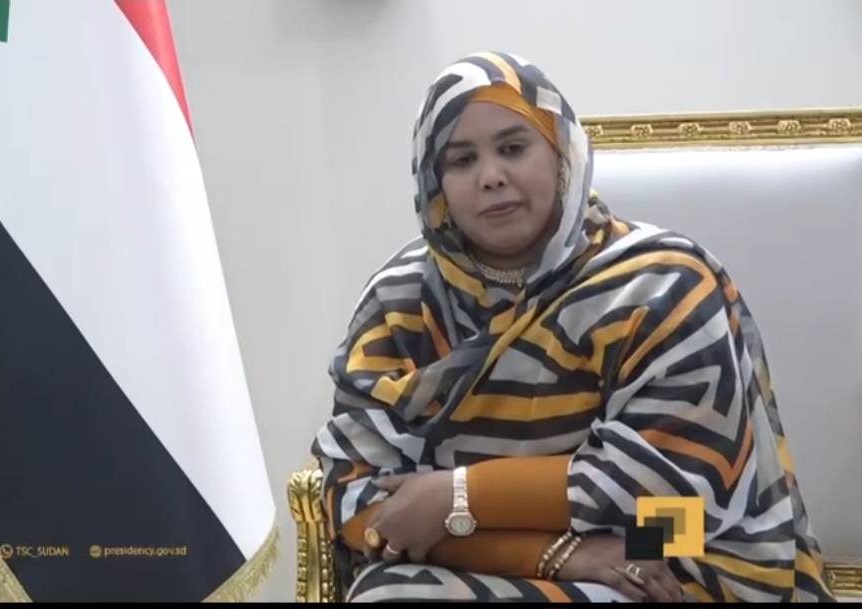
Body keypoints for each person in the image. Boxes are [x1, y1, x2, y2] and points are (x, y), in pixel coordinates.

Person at [309, 50, 836, 603]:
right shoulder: (400, 301)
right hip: (476, 556)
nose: (491, 177)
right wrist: (557, 555)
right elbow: (363, 507)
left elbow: (691, 504)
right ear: (433, 180)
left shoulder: (660, 284)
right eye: (461, 160)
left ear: (562, 152)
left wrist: (456, 496)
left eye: (513, 148)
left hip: (669, 556)